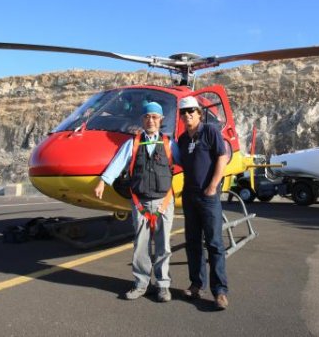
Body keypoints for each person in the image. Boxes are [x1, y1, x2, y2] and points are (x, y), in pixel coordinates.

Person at [94, 101, 178, 303]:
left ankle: (163, 286)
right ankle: (141, 284)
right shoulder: (132, 143)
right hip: (140, 203)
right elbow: (117, 164)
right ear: (143, 120)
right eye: (147, 117)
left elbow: (189, 163)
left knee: (163, 246)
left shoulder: (170, 144)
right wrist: (102, 182)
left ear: (161, 120)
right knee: (140, 245)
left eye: (155, 117)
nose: (151, 120)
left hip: (163, 202)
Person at [177, 96, 230, 310]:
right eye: (184, 112)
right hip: (189, 197)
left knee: (215, 243)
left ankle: (220, 292)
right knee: (193, 243)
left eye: (192, 111)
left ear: (199, 113)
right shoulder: (181, 139)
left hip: (208, 197)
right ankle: (197, 285)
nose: (188, 114)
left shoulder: (209, 131)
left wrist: (212, 186)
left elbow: (222, 157)